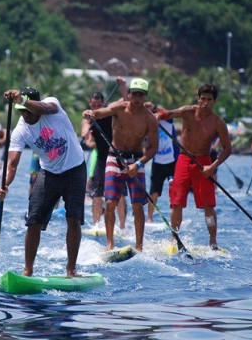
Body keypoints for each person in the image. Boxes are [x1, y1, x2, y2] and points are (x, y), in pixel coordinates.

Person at [0, 87, 86, 277]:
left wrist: (23, 100)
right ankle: (28, 270)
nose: (26, 115)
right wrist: (4, 185)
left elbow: (44, 108)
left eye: (28, 110)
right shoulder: (20, 130)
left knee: (73, 219)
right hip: (48, 173)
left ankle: (71, 269)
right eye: (22, 111)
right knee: (33, 220)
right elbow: (12, 165)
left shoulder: (52, 105)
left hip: (75, 169)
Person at [83, 78, 159, 252]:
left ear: (145, 96)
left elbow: (153, 148)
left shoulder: (150, 119)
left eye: (141, 95)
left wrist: (138, 165)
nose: (137, 98)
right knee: (110, 202)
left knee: (137, 205)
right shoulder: (119, 109)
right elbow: (101, 112)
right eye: (134, 94)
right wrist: (90, 113)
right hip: (114, 157)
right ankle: (110, 244)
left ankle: (139, 246)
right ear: (130, 94)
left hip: (136, 160)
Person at [157, 83, 232, 250]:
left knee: (208, 205)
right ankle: (174, 239)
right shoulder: (188, 111)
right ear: (198, 99)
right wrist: (155, 113)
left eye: (209, 100)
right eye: (202, 99)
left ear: (214, 102)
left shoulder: (218, 122)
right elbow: (167, 114)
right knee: (176, 202)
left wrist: (212, 167)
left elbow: (228, 149)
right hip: (184, 159)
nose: (205, 103)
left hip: (204, 162)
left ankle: (213, 242)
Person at [80, 90, 127, 229]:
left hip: (115, 155)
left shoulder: (110, 111)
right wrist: (87, 131)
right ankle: (96, 225)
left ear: (102, 103)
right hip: (101, 158)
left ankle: (122, 226)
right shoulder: (89, 118)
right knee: (96, 193)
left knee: (120, 193)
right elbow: (84, 131)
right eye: (93, 105)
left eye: (98, 105)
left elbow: (124, 101)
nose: (95, 107)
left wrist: (123, 85)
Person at [147, 105, 179, 223]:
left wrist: (155, 107)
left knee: (173, 190)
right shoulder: (149, 125)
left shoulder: (168, 120)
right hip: (157, 162)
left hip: (172, 161)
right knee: (154, 191)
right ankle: (150, 218)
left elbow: (166, 111)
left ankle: (174, 218)